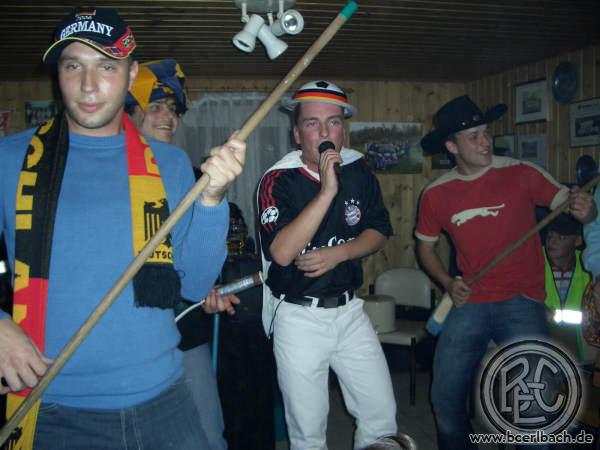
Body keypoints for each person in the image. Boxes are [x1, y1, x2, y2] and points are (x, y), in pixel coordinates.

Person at [0, 7, 245, 450]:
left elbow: (194, 284)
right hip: (54, 407)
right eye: (73, 66)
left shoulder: (169, 163)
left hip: (166, 399)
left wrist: (212, 200)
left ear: (132, 75)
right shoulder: (9, 159)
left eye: (106, 67)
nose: (88, 85)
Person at [416, 95, 596, 450]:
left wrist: (586, 209)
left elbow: (577, 209)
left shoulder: (522, 173)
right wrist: (448, 282)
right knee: (444, 400)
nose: (485, 142)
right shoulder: (436, 194)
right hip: (470, 301)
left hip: (521, 300)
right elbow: (425, 248)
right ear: (452, 146)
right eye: (474, 137)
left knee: (534, 407)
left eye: (486, 132)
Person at [257, 80, 397, 450]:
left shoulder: (359, 168)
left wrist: (340, 253)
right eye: (312, 123)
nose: (324, 133)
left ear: (343, 130)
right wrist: (328, 190)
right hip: (298, 317)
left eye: (333, 122)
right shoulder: (277, 179)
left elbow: (380, 230)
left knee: (381, 417)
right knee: (308, 433)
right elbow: (282, 253)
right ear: (296, 133)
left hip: (350, 312)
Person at [125, 59, 237, 450]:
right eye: (156, 106)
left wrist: (206, 289)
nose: (169, 117)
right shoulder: (110, 178)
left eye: (173, 109)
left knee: (207, 433)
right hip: (128, 337)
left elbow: (192, 258)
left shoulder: (189, 174)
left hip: (183, 331)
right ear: (129, 113)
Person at [543, 212, 597, 364]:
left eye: (561, 237)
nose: (552, 241)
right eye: (550, 235)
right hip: (541, 348)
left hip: (583, 354)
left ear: (578, 240)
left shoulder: (591, 265)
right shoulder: (532, 261)